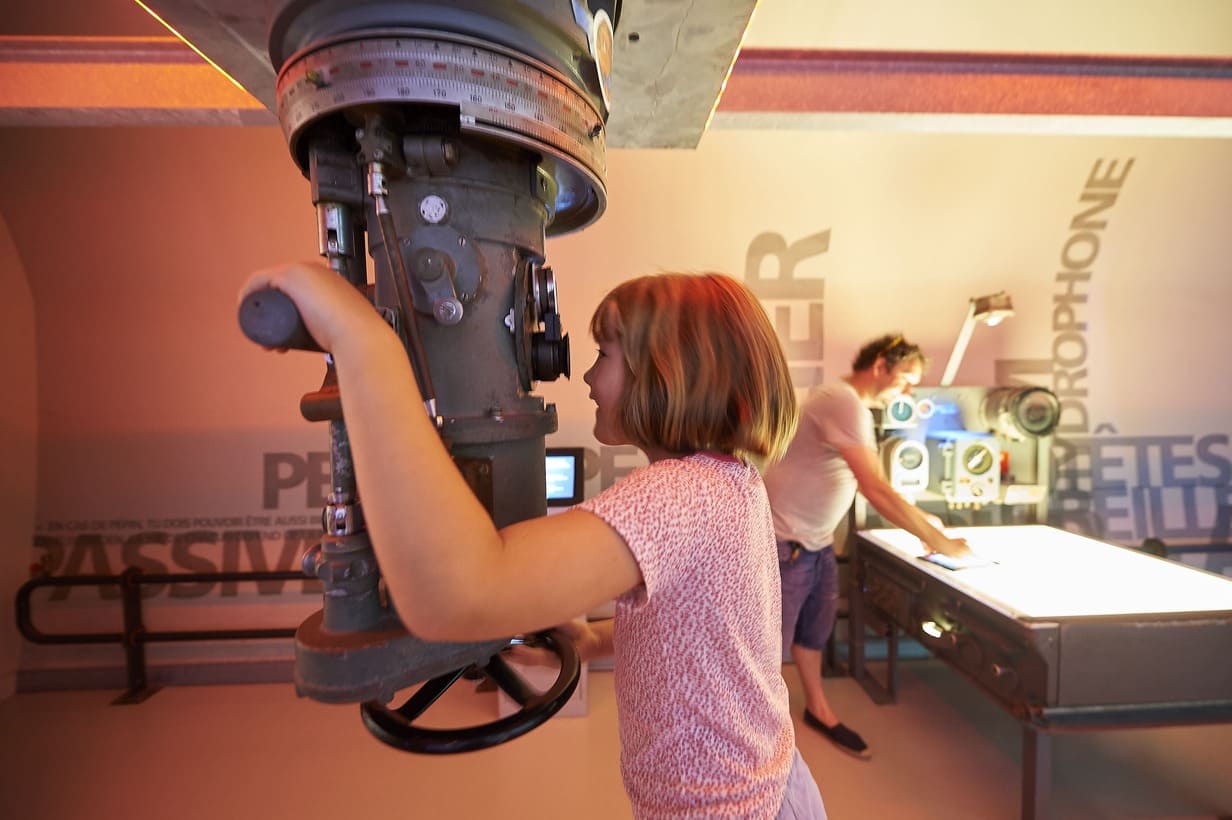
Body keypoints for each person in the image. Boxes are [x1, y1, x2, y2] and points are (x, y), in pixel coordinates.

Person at [239, 264, 827, 819]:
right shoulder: (728, 482)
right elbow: (707, 635)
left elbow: (459, 592)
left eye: (605, 354)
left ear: (669, 370)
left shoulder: (678, 495)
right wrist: (592, 640)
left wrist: (362, 341)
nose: (587, 375)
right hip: (769, 785)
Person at [763, 333, 971, 760]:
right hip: (789, 544)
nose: (908, 390)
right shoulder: (842, 401)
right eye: (906, 379)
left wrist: (922, 520)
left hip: (816, 542)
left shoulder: (847, 403)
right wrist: (939, 541)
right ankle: (760, 740)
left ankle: (817, 709)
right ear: (880, 365)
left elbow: (872, 479)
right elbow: (874, 487)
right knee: (768, 651)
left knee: (813, 633)